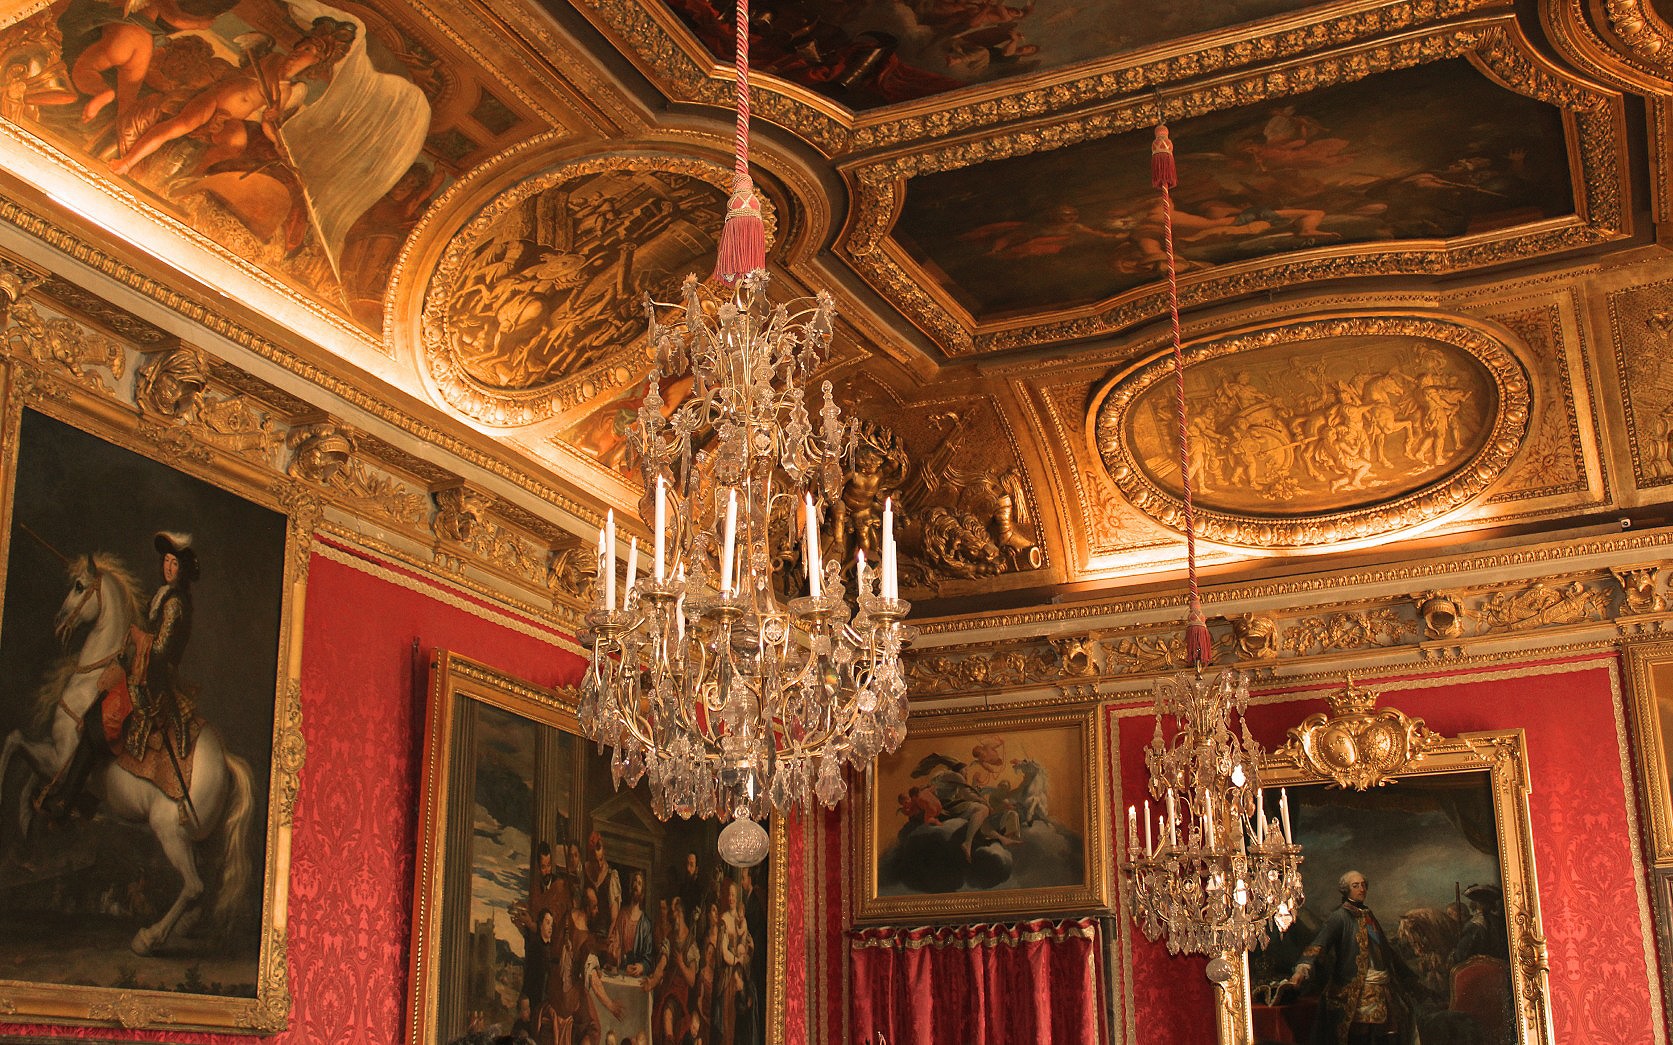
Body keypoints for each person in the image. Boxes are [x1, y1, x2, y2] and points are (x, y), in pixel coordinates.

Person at [1286, 870, 1422, 1044]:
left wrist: (1409, 977)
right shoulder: (1340, 917)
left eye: (1363, 885)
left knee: (1387, 1034)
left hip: (1382, 987)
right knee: (1361, 1036)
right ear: (1346, 890)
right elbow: (1319, 945)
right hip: (1355, 991)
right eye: (1355, 885)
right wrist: (1302, 969)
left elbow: (1386, 951)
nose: (1361, 889)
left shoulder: (1368, 914)